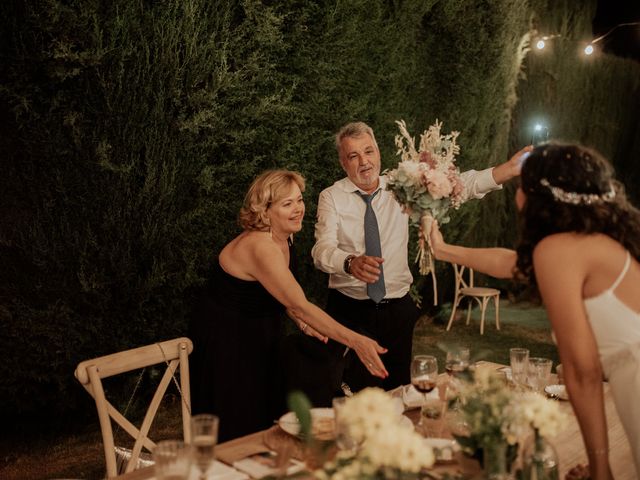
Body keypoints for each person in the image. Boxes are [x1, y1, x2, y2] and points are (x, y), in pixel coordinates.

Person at [430, 142, 640, 479]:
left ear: (539, 196)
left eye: (521, 186)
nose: (516, 198)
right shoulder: (592, 239)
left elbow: (581, 371)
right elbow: (511, 263)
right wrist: (443, 250)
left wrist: (601, 470)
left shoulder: (558, 249)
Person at [310, 121, 526, 395]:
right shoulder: (331, 197)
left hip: (398, 311)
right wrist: (348, 262)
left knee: (401, 393)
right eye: (353, 156)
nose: (364, 161)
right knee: (360, 398)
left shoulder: (401, 187)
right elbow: (321, 250)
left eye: (369, 151)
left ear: (378, 152)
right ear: (343, 163)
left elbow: (459, 185)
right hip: (351, 313)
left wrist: (506, 170)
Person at [189, 170, 388, 442]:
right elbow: (300, 304)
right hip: (228, 339)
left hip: (260, 329)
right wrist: (356, 341)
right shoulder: (260, 247)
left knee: (265, 412)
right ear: (264, 211)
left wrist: (300, 320)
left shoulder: (284, 236)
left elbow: (282, 295)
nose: (298, 209)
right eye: (287, 204)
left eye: (299, 200)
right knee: (238, 420)